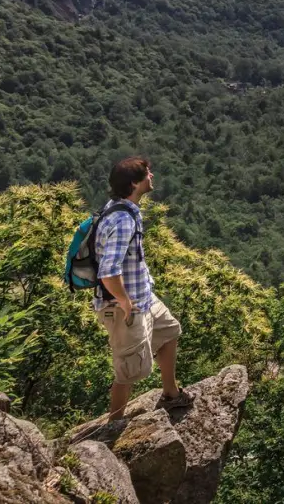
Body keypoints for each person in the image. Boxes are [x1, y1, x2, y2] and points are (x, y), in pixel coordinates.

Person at [94, 156, 191, 418]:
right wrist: (125, 302)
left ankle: (170, 393)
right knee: (129, 371)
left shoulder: (120, 208)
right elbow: (108, 271)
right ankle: (114, 425)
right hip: (126, 306)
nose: (152, 176)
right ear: (135, 183)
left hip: (143, 297)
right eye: (148, 173)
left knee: (170, 331)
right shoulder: (123, 220)